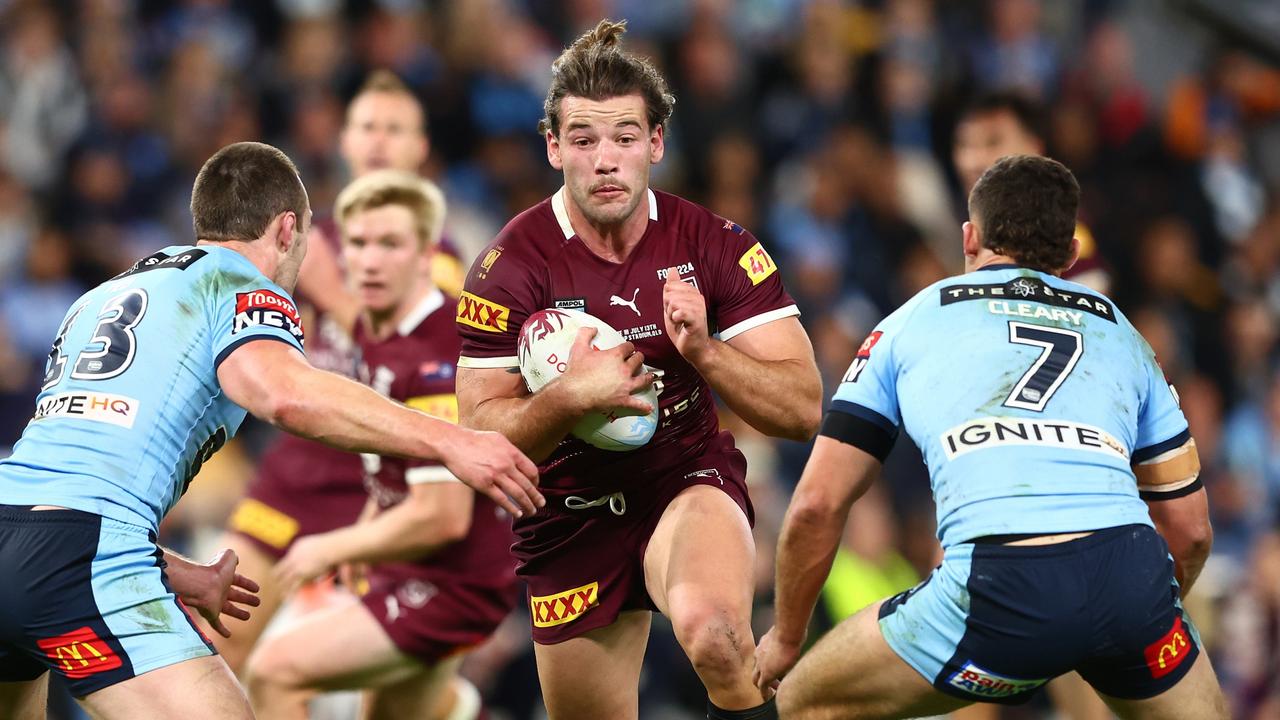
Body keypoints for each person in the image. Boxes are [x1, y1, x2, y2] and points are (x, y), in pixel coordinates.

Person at [0, 142, 541, 720]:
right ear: (288, 230)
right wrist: (454, 439)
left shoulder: (101, 297)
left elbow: (65, 479)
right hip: (80, 556)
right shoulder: (241, 286)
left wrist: (181, 573)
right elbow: (283, 394)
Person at [753, 155, 1228, 720]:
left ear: (969, 237)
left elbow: (816, 505)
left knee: (805, 703)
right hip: (1130, 580)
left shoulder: (908, 321)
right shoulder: (1125, 335)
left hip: (1001, 585)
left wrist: (785, 638)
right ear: (1071, 256)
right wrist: (1140, 611)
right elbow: (1191, 530)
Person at [455, 19, 822, 720]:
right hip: (567, 513)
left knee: (715, 636)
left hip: (683, 477)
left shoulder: (713, 244)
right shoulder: (508, 268)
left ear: (655, 143)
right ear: (554, 146)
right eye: (585, 140)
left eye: (625, 137)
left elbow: (804, 408)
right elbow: (478, 436)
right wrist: (567, 397)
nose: (605, 160)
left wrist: (706, 353)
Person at [214, 70, 466, 674]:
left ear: (420, 148)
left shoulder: (445, 259)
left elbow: (423, 361)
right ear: (345, 141)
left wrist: (336, 294)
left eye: (395, 129)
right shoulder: (298, 237)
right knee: (221, 639)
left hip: (382, 486)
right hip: (294, 472)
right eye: (367, 126)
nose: (379, 140)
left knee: (356, 684)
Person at [245, 170, 513, 720]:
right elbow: (394, 469)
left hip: (455, 582)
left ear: (425, 257)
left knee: (274, 670)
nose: (369, 260)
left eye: (390, 244)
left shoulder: (438, 355)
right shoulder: (376, 329)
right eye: (359, 243)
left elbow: (442, 517)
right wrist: (367, 534)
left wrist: (334, 546)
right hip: (419, 570)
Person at [953, 90, 1110, 294]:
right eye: (965, 144)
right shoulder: (943, 222)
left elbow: (1091, 292)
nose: (973, 161)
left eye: (993, 142)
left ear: (1033, 149)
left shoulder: (1063, 224)